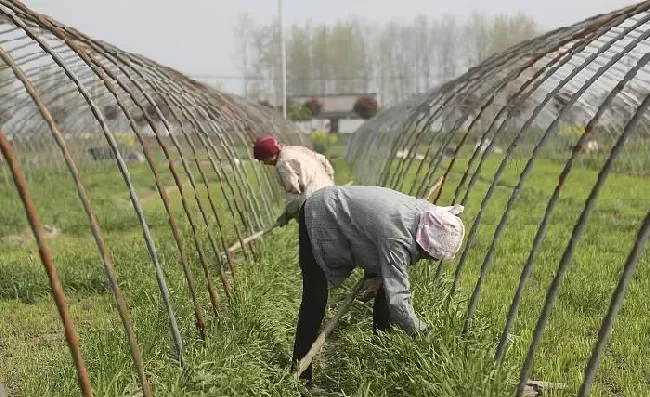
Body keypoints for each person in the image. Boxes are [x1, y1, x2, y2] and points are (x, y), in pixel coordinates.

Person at [291, 185, 465, 386]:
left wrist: (374, 275)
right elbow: (398, 298)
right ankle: (301, 376)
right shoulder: (397, 237)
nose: (433, 260)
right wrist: (423, 334)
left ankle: (382, 350)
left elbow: (370, 228)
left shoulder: (427, 215)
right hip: (321, 212)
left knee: (385, 286)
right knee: (315, 298)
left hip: (348, 212)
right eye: (433, 256)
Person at [253, 134, 335, 227]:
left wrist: (287, 215)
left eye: (263, 159)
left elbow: (294, 194)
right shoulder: (296, 150)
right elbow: (325, 162)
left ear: (271, 156)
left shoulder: (283, 164)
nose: (262, 162)